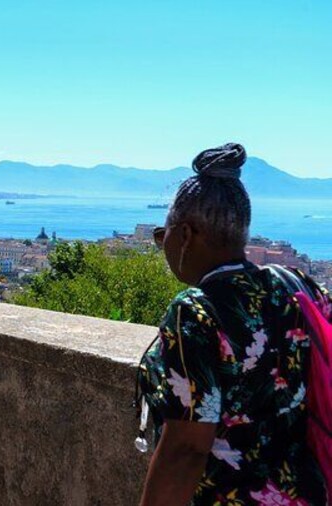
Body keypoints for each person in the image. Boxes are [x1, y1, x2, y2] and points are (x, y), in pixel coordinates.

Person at [137, 144, 329, 505]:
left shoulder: (195, 311)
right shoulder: (299, 287)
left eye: (164, 234)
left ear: (186, 235)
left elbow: (187, 448)